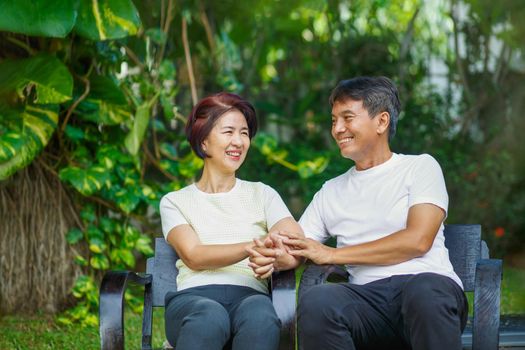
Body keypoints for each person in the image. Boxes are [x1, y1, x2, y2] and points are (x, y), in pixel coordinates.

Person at [248, 77, 468, 350]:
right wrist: (278, 256)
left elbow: (417, 240)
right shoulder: (332, 190)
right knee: (318, 302)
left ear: (382, 121)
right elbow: (299, 246)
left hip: (428, 293)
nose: (338, 129)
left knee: (423, 292)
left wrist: (332, 254)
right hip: (367, 301)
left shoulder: (420, 168)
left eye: (348, 118)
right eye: (333, 120)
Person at [159, 92, 303, 350]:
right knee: (209, 318)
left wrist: (277, 255)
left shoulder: (263, 194)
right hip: (194, 299)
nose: (239, 141)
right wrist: (253, 247)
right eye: (228, 132)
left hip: (250, 296)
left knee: (261, 316)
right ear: (203, 142)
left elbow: (295, 243)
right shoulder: (175, 201)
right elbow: (194, 255)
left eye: (245, 133)